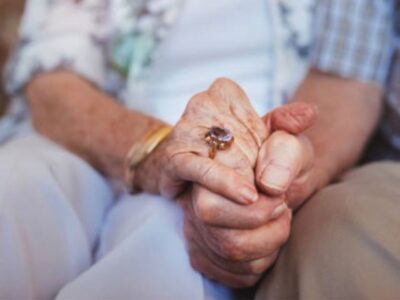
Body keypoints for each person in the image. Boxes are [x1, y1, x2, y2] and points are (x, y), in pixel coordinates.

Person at [0, 0, 394, 300]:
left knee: (167, 242)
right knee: (15, 187)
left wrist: (272, 177)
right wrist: (157, 150)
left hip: (248, 156)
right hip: (86, 137)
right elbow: (51, 76)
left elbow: (344, 86)